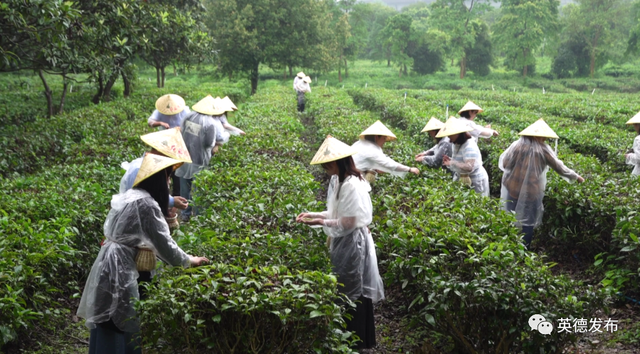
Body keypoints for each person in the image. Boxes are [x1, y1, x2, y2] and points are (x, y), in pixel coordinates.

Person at [77, 154, 209, 354]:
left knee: (108, 317)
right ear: (159, 180)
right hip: (119, 266)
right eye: (167, 177)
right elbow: (165, 245)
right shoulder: (146, 204)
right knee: (117, 316)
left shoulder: (134, 195)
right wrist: (190, 260)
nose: (168, 182)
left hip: (109, 260)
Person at [296, 135, 384, 349]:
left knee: (353, 287)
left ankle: (357, 341)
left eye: (327, 165)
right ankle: (345, 337)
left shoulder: (352, 184)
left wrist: (319, 220)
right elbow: (337, 212)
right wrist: (314, 214)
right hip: (344, 241)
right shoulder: (339, 180)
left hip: (353, 242)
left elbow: (350, 221)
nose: (325, 169)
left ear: (336, 162)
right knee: (343, 285)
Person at [499, 119, 585, 247]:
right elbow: (559, 167)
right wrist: (576, 177)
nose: (544, 139)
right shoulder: (542, 150)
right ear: (536, 135)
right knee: (527, 222)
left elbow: (505, 164)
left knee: (511, 219)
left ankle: (510, 247)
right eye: (543, 137)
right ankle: (524, 249)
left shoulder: (516, 145)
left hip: (512, 188)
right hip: (530, 192)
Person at [175, 95, 224, 222]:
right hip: (200, 159)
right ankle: (198, 216)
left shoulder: (189, 117)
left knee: (184, 186)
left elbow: (181, 133)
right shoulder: (210, 123)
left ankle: (185, 214)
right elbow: (209, 143)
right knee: (198, 188)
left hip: (185, 157)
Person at [119, 128, 192, 211]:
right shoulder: (141, 170)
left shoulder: (152, 168)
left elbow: (153, 192)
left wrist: (171, 200)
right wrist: (170, 201)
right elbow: (142, 201)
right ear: (160, 152)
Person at [352, 120, 420, 184]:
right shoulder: (372, 149)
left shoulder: (359, 143)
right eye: (384, 138)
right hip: (352, 178)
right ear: (376, 137)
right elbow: (389, 164)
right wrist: (409, 169)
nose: (384, 142)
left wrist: (376, 169)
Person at [438, 117, 490, 196]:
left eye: (450, 134)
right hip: (463, 179)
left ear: (458, 133)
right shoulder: (456, 144)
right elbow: (461, 161)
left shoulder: (469, 145)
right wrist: (450, 161)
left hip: (475, 181)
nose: (448, 137)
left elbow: (469, 167)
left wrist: (453, 162)